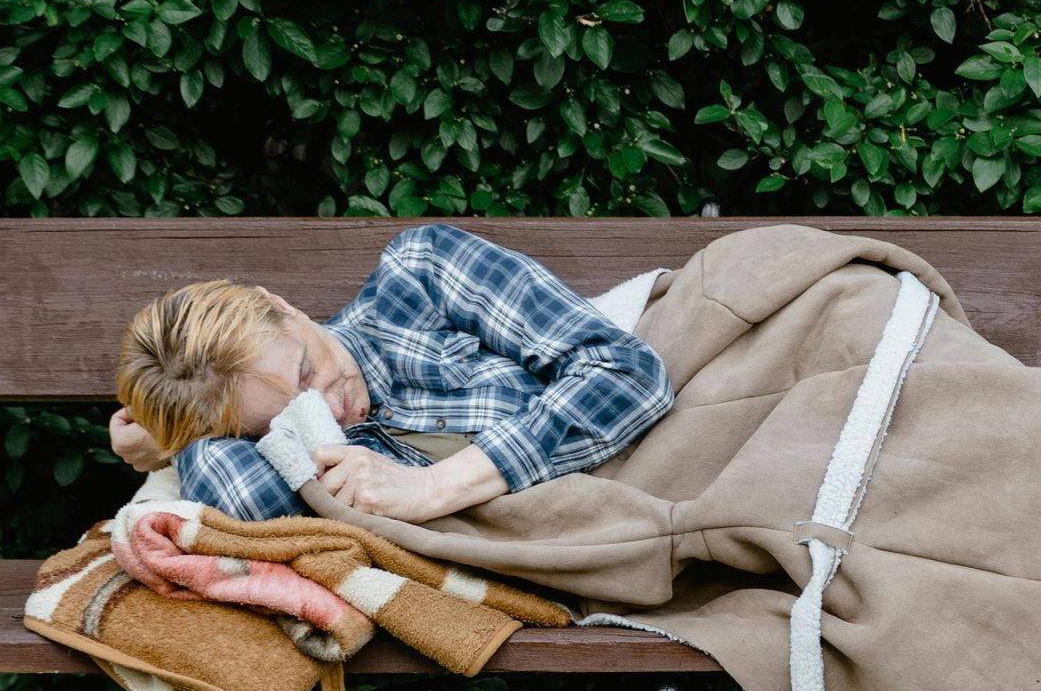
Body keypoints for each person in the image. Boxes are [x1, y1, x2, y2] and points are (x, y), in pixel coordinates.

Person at [109, 222, 673, 525]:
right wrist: (177, 440)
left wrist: (431, 488)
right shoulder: (261, 450)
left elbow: (627, 374)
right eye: (279, 417)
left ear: (282, 305)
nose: (328, 411)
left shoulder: (418, 274)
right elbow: (242, 496)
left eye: (307, 368)